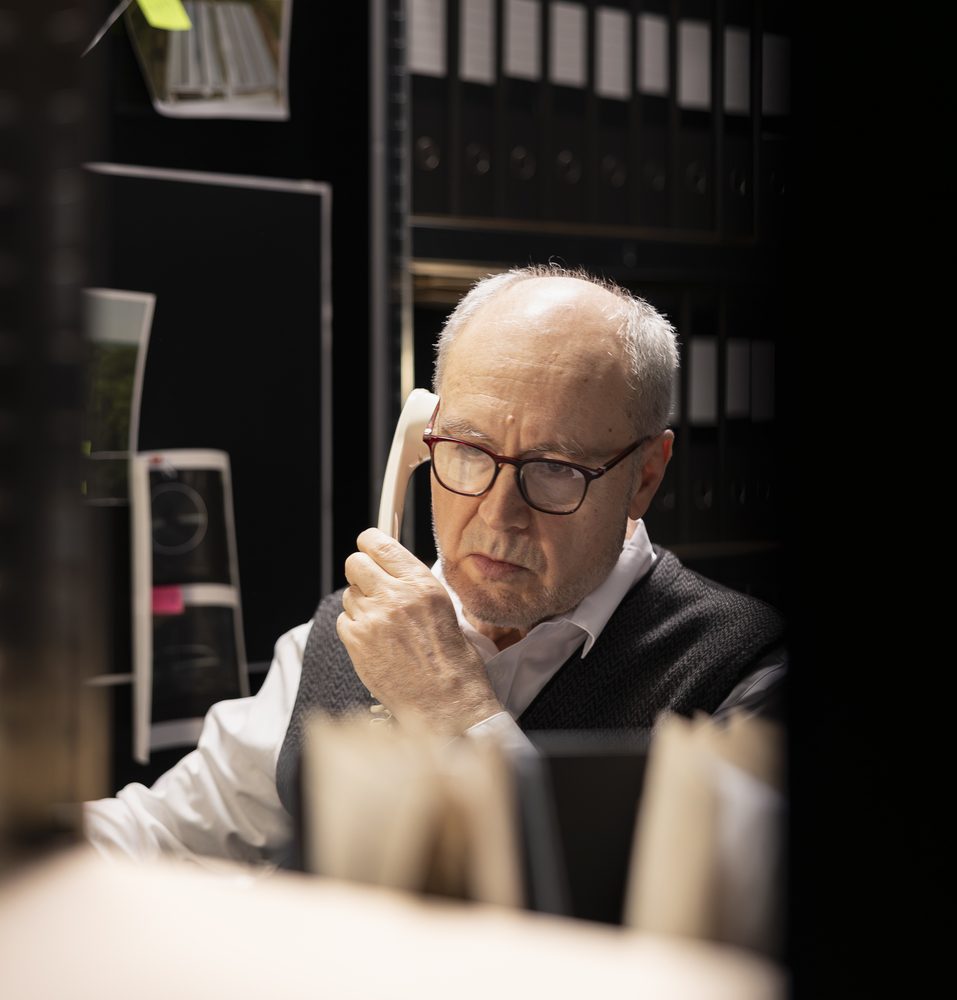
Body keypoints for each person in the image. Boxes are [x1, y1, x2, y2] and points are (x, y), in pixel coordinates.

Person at [83, 264, 787, 868]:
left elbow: (639, 936)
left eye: (554, 470)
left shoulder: (744, 673)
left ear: (644, 476)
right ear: (422, 440)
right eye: (469, 452)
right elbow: (162, 834)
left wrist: (452, 708)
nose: (497, 515)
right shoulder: (337, 640)